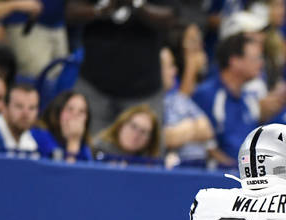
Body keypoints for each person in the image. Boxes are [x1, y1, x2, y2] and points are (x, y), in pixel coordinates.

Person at [66, 0, 177, 137]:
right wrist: (100, 10)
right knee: (86, 150)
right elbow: (70, 12)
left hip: (143, 92)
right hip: (94, 87)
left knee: (145, 156)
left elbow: (170, 18)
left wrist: (137, 5)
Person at [192, 33, 263, 164]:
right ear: (235, 61)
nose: (261, 64)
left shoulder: (249, 100)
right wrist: (236, 170)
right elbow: (203, 145)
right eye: (255, 59)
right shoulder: (206, 95)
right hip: (217, 177)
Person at [161, 44, 216, 168]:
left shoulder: (179, 98)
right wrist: (192, 127)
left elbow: (207, 130)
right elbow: (166, 139)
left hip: (198, 167)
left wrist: (180, 132)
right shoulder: (148, 103)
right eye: (170, 66)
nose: (174, 71)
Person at [31, 90, 92, 161]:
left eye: (81, 111)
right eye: (70, 109)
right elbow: (60, 171)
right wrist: (73, 143)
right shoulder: (40, 134)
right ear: (57, 113)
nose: (75, 115)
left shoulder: (84, 146)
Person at [92, 103, 162, 164]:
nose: (136, 134)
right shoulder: (95, 152)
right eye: (133, 126)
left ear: (150, 141)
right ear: (121, 125)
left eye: (143, 132)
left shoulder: (150, 164)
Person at [0, 83, 38, 154]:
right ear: (4, 107)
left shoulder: (30, 141)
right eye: (19, 106)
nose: (26, 113)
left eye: (32, 108)